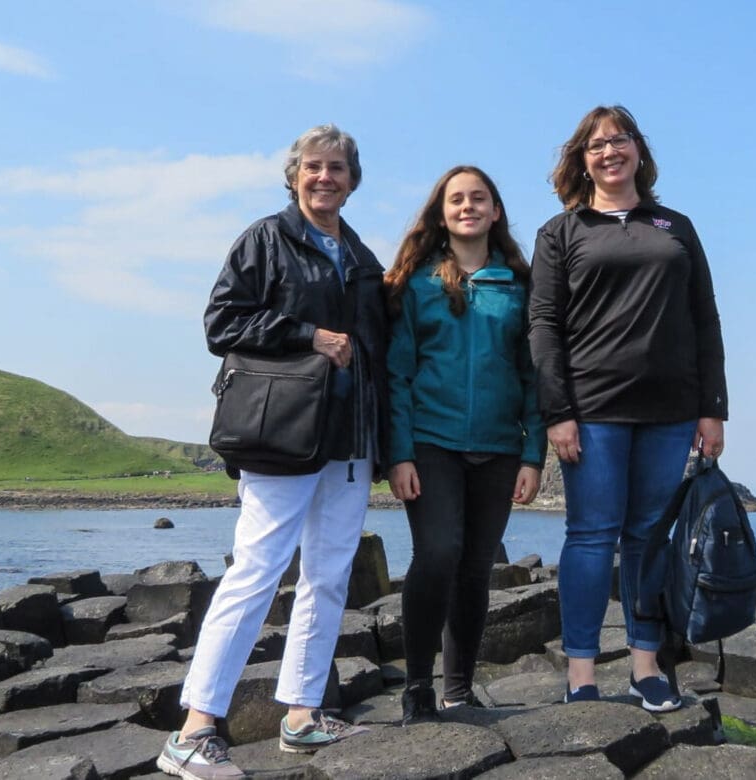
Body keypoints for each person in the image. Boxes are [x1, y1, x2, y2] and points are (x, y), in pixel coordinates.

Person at [157, 124, 388, 780]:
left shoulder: (363, 257)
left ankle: (303, 714)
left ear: (353, 179)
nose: (325, 177)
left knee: (328, 576)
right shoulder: (265, 239)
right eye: (313, 167)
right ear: (293, 175)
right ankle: (194, 729)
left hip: (348, 440)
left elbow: (377, 354)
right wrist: (308, 334)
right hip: (280, 435)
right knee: (256, 571)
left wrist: (383, 446)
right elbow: (222, 323)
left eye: (338, 168)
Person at [528, 105, 728, 712]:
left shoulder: (676, 225)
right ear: (580, 160)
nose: (609, 152)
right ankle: (582, 675)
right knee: (590, 537)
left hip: (671, 409)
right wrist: (556, 411)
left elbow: (705, 318)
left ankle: (646, 666)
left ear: (639, 151)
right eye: (596, 145)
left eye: (619, 140)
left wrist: (712, 407)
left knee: (650, 537)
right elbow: (542, 325)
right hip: (592, 409)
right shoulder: (560, 233)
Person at [384, 165, 547, 724]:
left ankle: (459, 689)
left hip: (501, 449)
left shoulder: (521, 286)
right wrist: (398, 452)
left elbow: (534, 377)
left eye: (479, 198)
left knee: (476, 567)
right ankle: (416, 689)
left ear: (496, 211)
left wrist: (533, 455)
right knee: (436, 556)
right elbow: (398, 374)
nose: (468, 206)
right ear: (441, 212)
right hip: (431, 441)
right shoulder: (416, 284)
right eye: (457, 199)